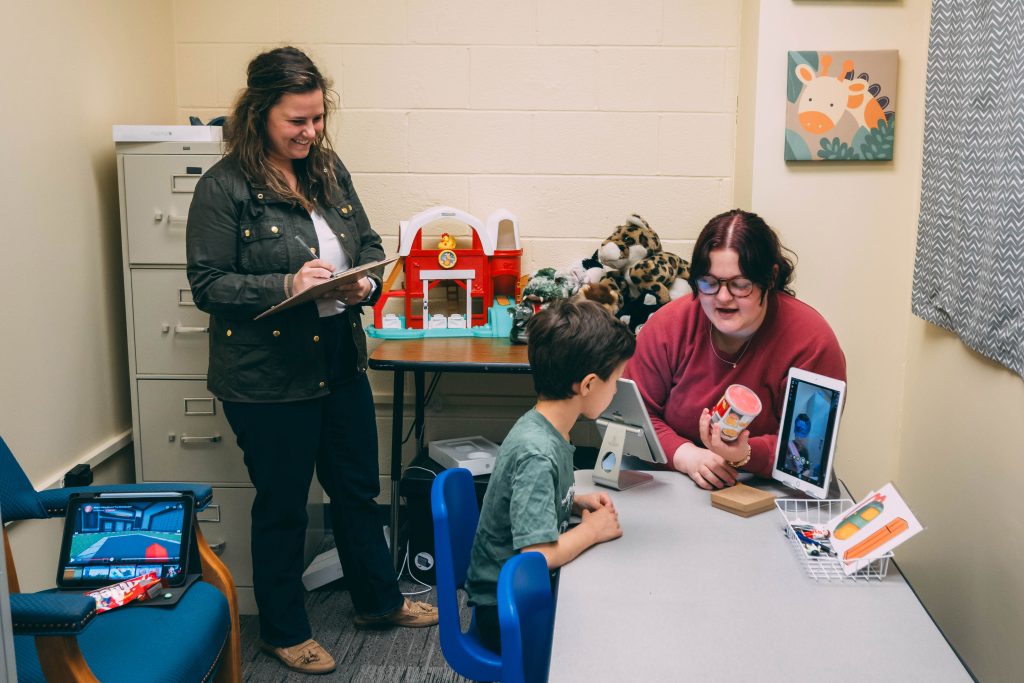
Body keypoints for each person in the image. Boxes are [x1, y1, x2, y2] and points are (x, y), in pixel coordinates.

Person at [186, 46, 436, 676]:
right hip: (268, 379)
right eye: (296, 121)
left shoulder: (327, 169)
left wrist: (366, 284)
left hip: (339, 363)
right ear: (260, 113)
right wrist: (287, 287)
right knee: (284, 503)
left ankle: (378, 603)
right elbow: (209, 285)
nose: (310, 132)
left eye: (318, 118)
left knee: (356, 490)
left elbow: (370, 242)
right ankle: (283, 629)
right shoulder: (224, 187)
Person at [624, 209, 846, 490]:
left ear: (770, 277)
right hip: (674, 478)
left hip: (769, 487)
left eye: (740, 284)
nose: (723, 297)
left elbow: (808, 450)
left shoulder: (812, 342)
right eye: (709, 282)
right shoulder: (670, 324)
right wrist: (687, 456)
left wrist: (745, 454)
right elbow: (634, 416)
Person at [465, 300, 632, 653]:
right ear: (588, 385)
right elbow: (537, 553)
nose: (616, 390)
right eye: (615, 380)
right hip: (507, 611)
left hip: (518, 593)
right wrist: (590, 531)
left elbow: (531, 503)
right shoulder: (538, 452)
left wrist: (575, 502)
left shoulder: (544, 426)